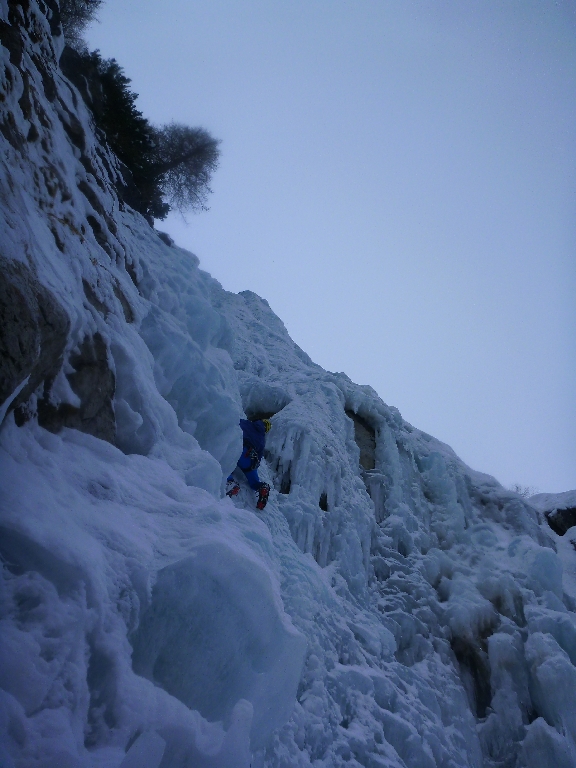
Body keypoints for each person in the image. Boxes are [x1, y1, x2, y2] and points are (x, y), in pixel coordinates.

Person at [226, 418, 272, 510]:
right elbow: (258, 459)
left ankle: (230, 482)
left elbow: (232, 422)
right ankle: (261, 487)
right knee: (253, 480)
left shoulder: (246, 422)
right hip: (249, 457)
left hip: (236, 447)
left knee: (225, 463)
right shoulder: (262, 439)